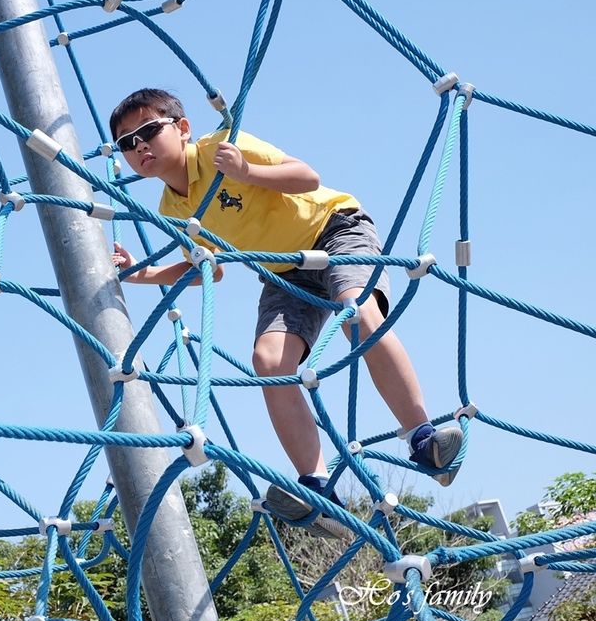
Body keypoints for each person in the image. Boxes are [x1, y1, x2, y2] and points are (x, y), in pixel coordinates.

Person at [108, 88, 463, 539]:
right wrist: (145, 274)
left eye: (148, 131)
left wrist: (247, 171)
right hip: (284, 272)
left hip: (334, 231)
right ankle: (319, 491)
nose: (138, 146)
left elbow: (307, 178)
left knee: (356, 312)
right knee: (269, 361)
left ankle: (424, 438)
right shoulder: (171, 206)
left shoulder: (222, 147)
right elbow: (207, 270)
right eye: (126, 142)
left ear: (181, 128)